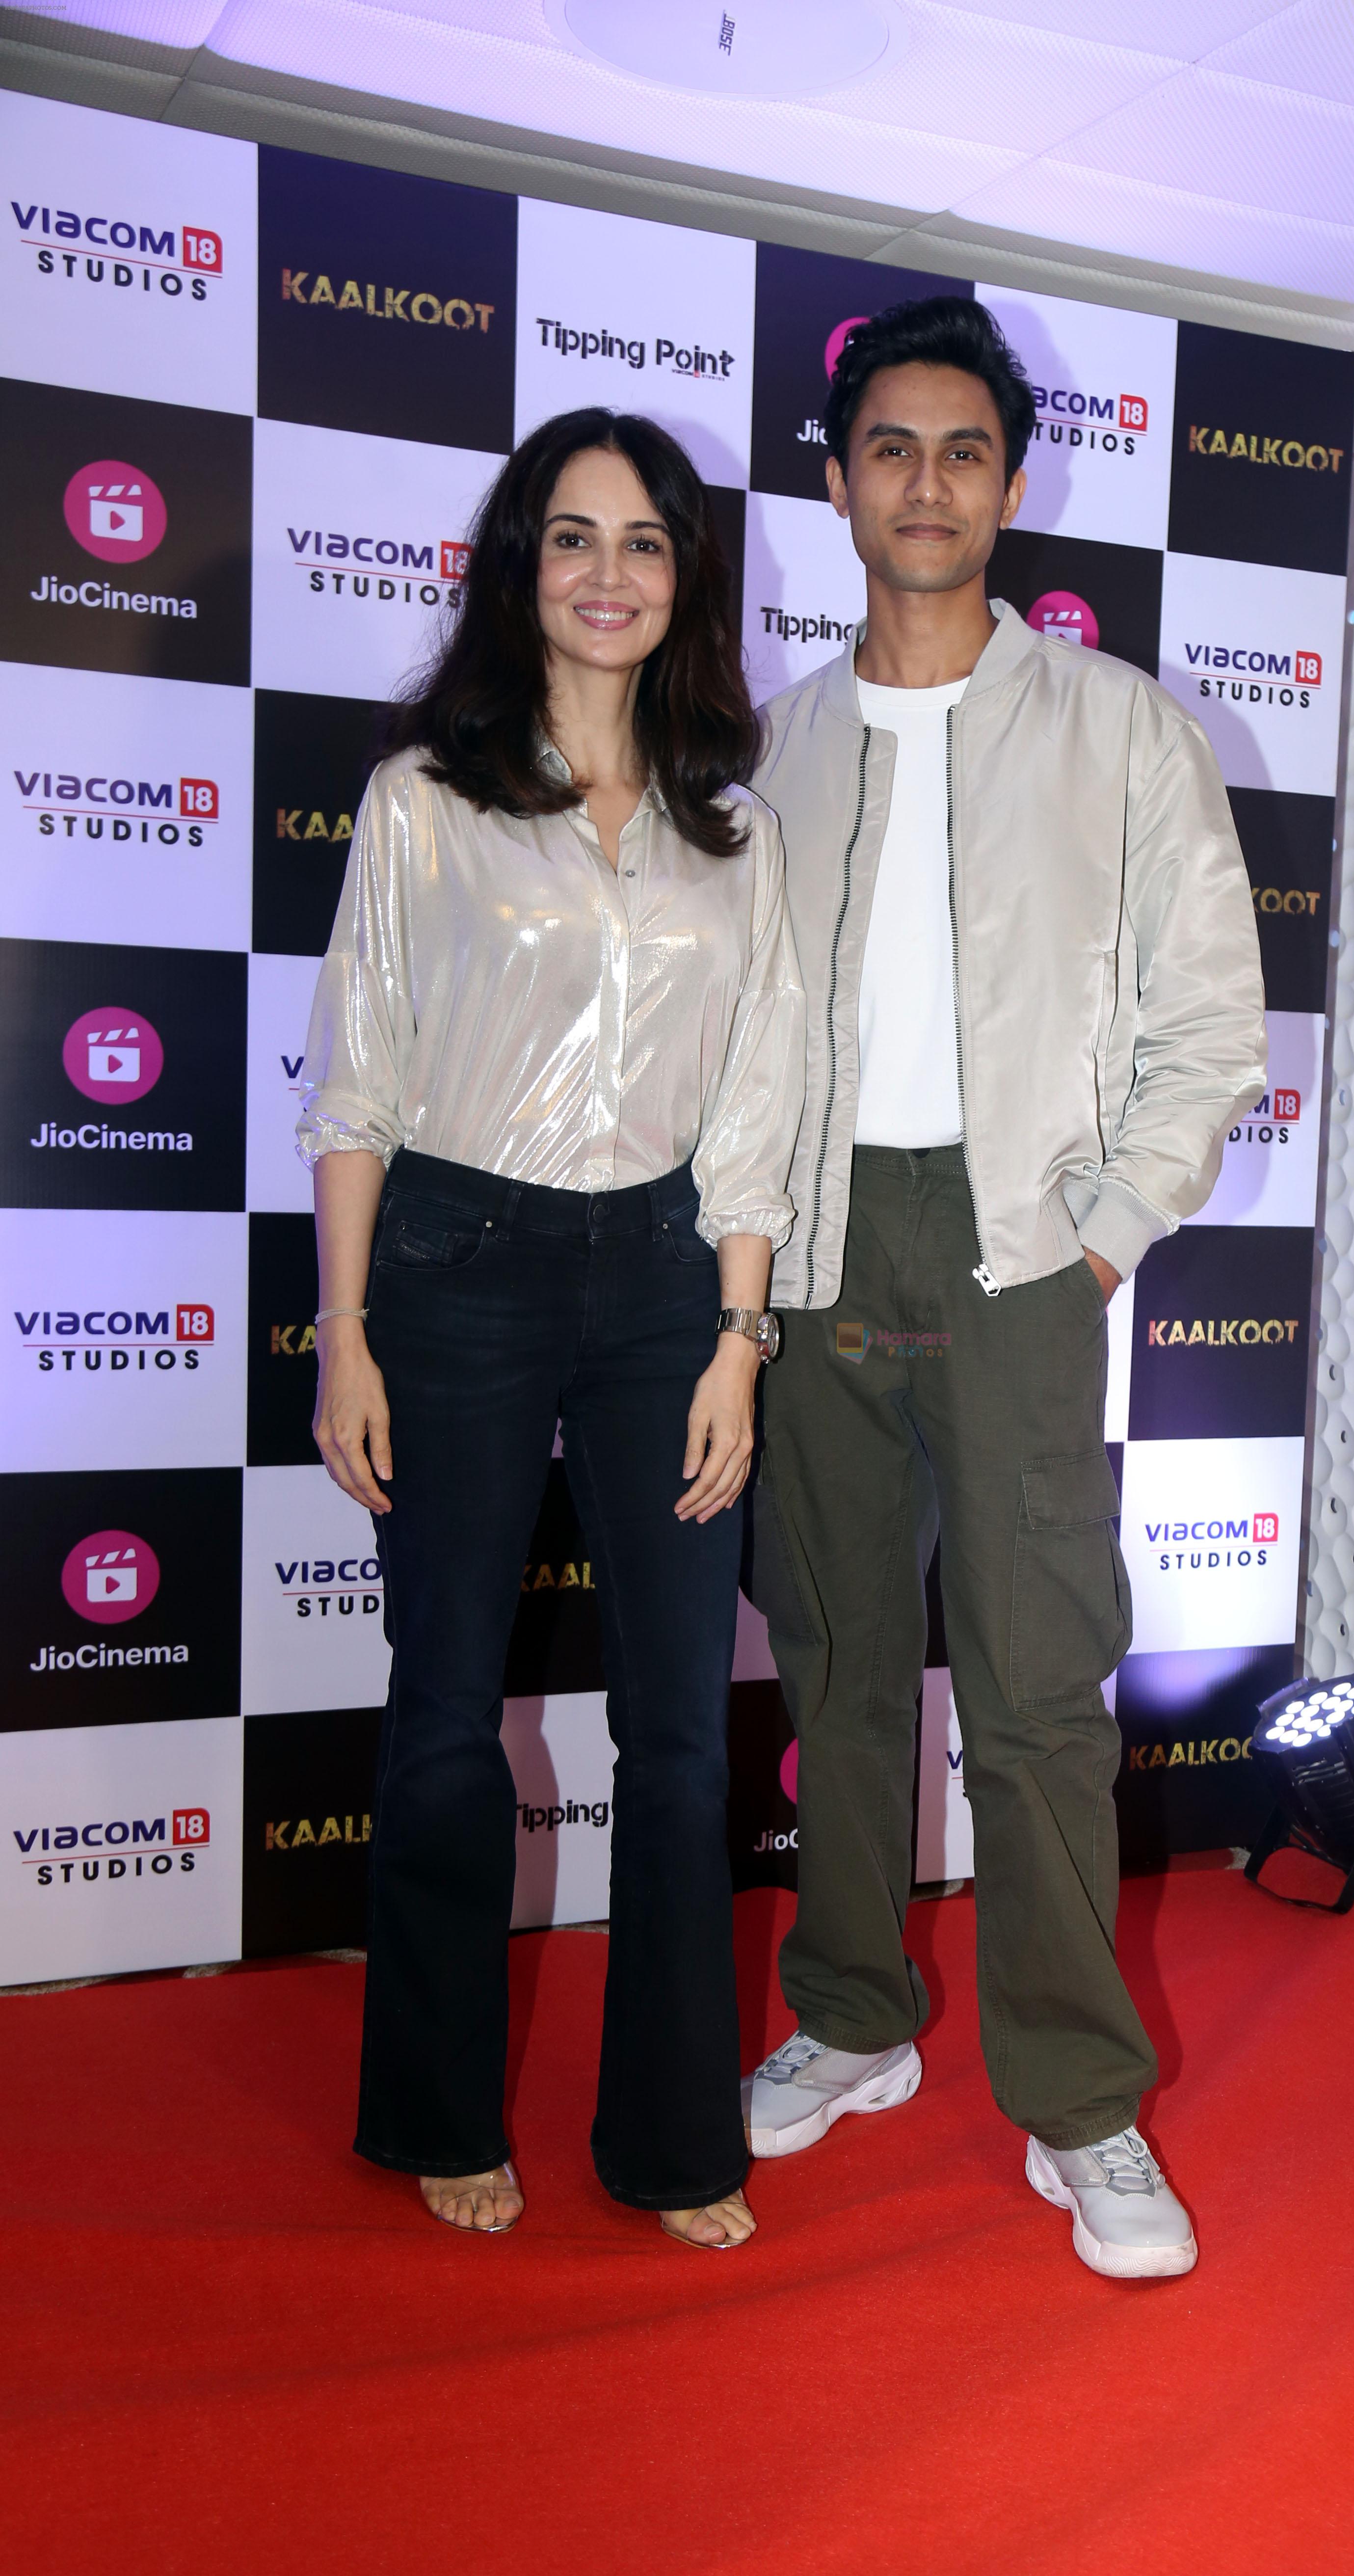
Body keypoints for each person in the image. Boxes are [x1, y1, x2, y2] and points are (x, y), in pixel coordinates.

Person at [743, 297, 1266, 2281]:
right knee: (842, 1664)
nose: (929, 483)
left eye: (966, 450)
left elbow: (1212, 1017)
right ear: (839, 476)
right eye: (892, 448)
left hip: (1025, 1252)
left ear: (1014, 482)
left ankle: (1085, 2108)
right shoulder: (777, 747)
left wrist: (1111, 1225)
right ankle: (854, 2020)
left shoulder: (1118, 725)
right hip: (811, 1260)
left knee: (1041, 1690)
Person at [298, 408, 802, 2247]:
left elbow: (758, 1107)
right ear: (523, 563)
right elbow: (356, 1090)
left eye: (645, 542)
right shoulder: (426, 798)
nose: (609, 576)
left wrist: (740, 1340)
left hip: (668, 1283)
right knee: (446, 1714)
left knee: (679, 1731)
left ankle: (673, 2136)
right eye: (572, 537)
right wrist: (343, 1333)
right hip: (456, 1273)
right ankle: (437, 2103)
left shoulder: (737, 834)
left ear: (689, 579)